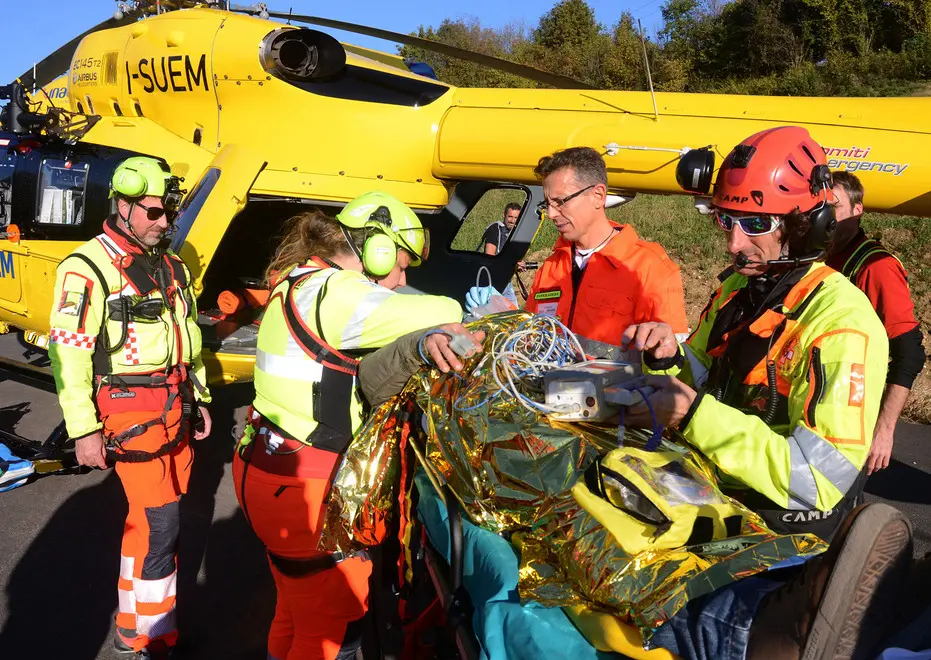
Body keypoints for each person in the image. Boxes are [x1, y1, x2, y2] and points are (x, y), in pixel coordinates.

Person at [621, 126, 907, 660]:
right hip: (716, 496)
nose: (734, 243)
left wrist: (692, 415)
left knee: (655, 607)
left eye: (755, 224)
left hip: (788, 529)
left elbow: (821, 479)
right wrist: (668, 359)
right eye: (726, 220)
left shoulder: (840, 322)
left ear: (804, 227)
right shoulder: (738, 289)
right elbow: (701, 380)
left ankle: (778, 629)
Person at [232, 191, 481, 660]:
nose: (402, 278)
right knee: (330, 631)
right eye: (402, 265)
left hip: (265, 469)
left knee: (294, 612)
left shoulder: (300, 278)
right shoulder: (339, 292)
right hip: (303, 487)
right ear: (378, 248)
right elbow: (441, 311)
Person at [48, 157, 211, 659]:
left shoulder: (171, 265)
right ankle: (153, 636)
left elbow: (188, 340)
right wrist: (83, 429)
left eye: (170, 214)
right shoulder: (85, 268)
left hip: (174, 404)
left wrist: (199, 395)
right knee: (162, 523)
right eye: (154, 212)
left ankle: (131, 624)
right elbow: (68, 350)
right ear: (122, 206)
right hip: (129, 408)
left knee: (150, 519)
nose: (165, 223)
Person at [466, 147, 689, 345]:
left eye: (560, 202)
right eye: (547, 204)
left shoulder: (651, 268)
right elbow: (532, 337)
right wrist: (502, 310)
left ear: (598, 196)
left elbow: (673, 366)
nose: (551, 214)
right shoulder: (552, 268)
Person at [826, 171, 926, 475]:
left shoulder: (876, 267)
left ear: (858, 211)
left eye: (834, 206)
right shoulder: (816, 257)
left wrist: (884, 430)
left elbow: (909, 353)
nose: (826, 215)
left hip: (848, 417)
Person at [478, 202, 524, 306]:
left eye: (516, 218)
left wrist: (517, 264)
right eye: (510, 217)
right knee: (513, 312)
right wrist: (511, 264)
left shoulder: (512, 233)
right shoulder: (495, 229)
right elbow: (489, 256)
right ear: (504, 215)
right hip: (490, 277)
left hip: (503, 277)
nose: (512, 220)